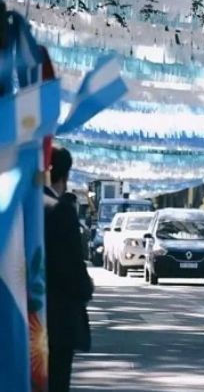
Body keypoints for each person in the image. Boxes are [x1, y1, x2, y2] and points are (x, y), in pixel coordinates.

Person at [45, 146, 94, 392]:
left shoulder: (20, 204)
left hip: (19, 314)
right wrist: (86, 289)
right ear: (65, 176)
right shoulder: (60, 210)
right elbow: (73, 267)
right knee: (56, 380)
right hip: (57, 317)